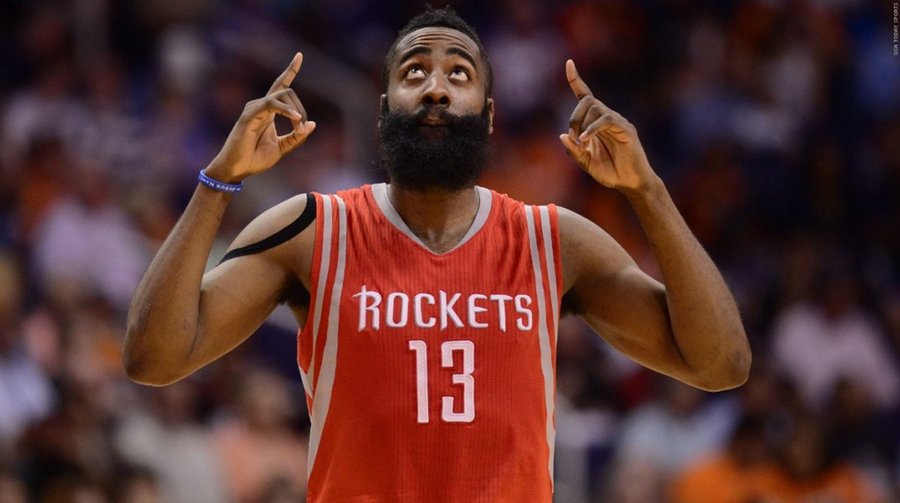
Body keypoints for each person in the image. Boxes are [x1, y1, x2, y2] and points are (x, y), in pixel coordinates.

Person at [124, 6, 750, 502]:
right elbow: (153, 359)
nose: (436, 89)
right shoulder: (312, 230)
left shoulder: (553, 240)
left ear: (489, 115)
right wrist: (219, 179)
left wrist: (648, 191)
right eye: (414, 72)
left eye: (460, 75)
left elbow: (720, 364)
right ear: (382, 110)